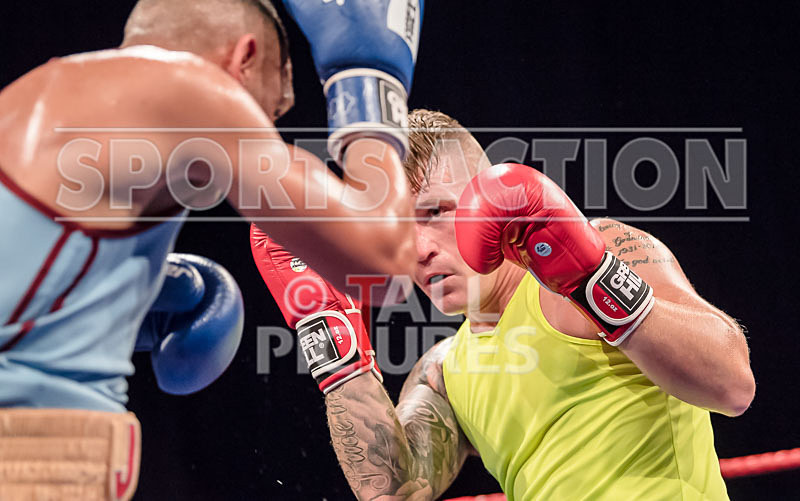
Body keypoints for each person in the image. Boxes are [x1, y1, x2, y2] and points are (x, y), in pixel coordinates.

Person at [0, 0, 423, 498]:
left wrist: (113, 299)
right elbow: (387, 262)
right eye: (273, 110)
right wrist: (369, 82)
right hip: (35, 457)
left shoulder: (31, 98)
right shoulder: (188, 88)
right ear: (242, 59)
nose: (268, 130)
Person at [251, 109, 756, 500]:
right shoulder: (444, 371)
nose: (418, 248)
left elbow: (733, 382)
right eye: (398, 229)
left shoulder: (600, 252)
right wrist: (330, 338)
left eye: (433, 213)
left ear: (483, 196)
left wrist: (591, 277)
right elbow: (391, 490)